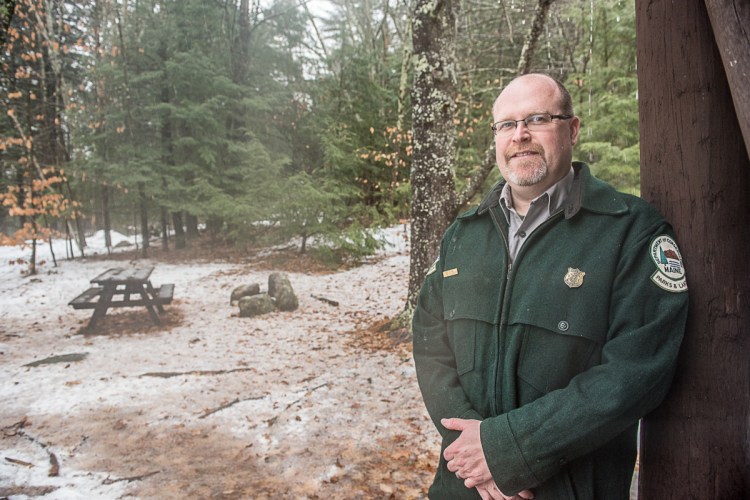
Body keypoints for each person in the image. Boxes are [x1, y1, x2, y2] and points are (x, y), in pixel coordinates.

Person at [412, 73, 688, 500]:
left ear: (572, 129)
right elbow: (431, 343)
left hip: (567, 489)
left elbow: (637, 372)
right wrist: (474, 453)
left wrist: (510, 452)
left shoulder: (632, 232)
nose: (519, 135)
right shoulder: (462, 236)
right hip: (463, 486)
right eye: (506, 125)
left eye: (537, 119)